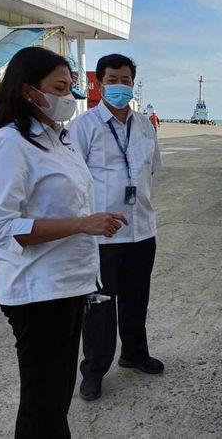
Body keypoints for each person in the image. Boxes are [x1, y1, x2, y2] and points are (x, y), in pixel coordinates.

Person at [0, 46, 126, 438]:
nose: (69, 98)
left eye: (71, 87)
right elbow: (2, 227)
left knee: (55, 399)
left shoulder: (57, 138)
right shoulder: (9, 144)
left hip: (68, 286)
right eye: (59, 88)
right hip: (37, 292)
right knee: (43, 405)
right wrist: (81, 224)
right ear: (29, 90)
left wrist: (91, 221)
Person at [69, 54, 163, 402]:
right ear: (100, 83)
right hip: (103, 233)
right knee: (100, 303)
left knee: (137, 297)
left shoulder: (144, 125)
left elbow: (150, 169)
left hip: (142, 229)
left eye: (126, 80)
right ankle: (93, 369)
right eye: (113, 79)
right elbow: (72, 178)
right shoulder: (84, 126)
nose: (120, 86)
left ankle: (134, 352)